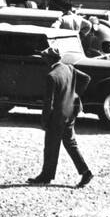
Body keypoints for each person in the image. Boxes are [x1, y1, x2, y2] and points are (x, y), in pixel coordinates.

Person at [27, 46, 93, 188]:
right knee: (70, 144)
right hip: (70, 113)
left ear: (49, 59)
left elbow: (48, 103)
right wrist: (75, 95)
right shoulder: (69, 68)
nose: (43, 58)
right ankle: (85, 172)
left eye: (44, 56)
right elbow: (86, 78)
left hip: (57, 117)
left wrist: (44, 121)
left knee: (51, 146)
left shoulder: (52, 76)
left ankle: (46, 176)